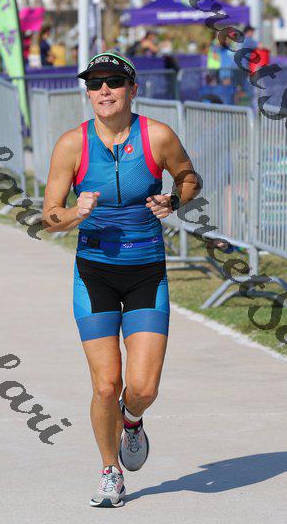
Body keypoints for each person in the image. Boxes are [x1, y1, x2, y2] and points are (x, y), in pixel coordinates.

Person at [42, 52, 200, 508]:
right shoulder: (72, 144)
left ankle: (132, 420)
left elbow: (190, 178)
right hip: (94, 275)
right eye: (94, 83)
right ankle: (110, 470)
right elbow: (49, 217)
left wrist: (174, 200)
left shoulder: (158, 136)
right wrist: (75, 212)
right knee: (106, 385)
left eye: (113, 81)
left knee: (142, 388)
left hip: (146, 272)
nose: (103, 91)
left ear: (133, 89)